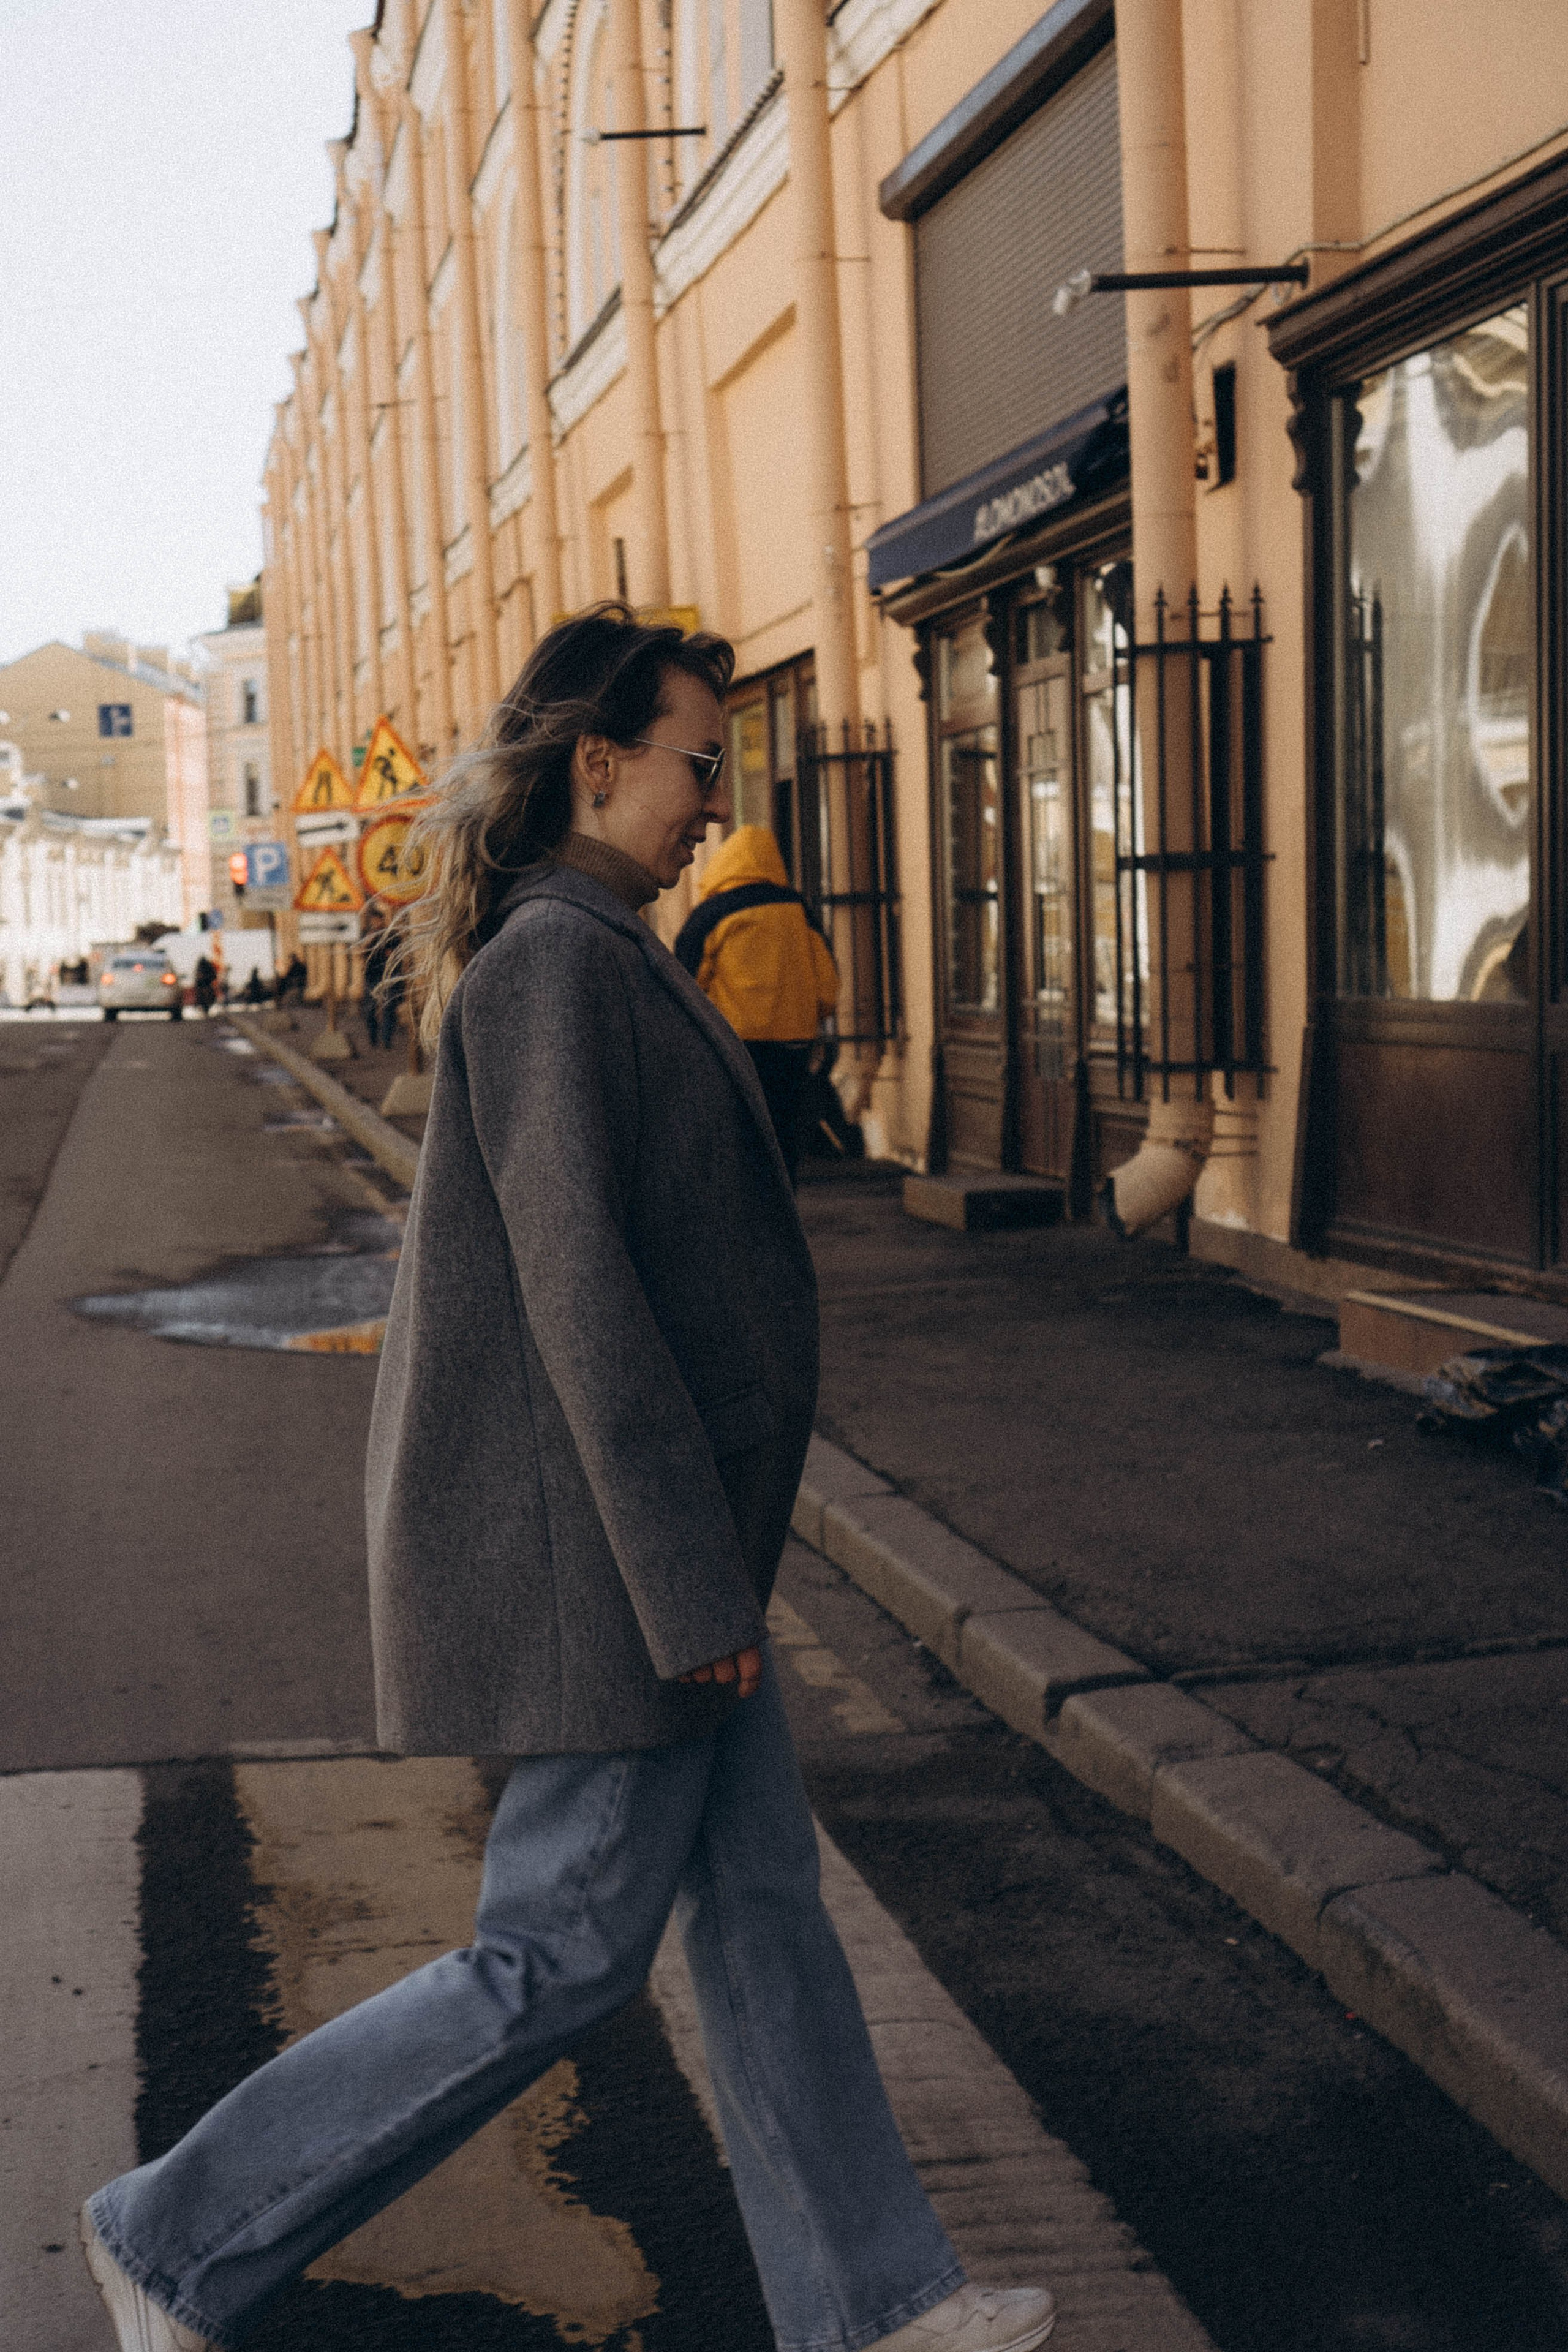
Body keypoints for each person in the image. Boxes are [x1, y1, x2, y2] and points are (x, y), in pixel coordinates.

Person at [79, 606, 1055, 2352]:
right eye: (695, 759)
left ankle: (876, 2307)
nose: (710, 797)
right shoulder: (557, 967)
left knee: (761, 1917)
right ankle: (177, 2232)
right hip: (610, 1570)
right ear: (599, 764)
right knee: (558, 1957)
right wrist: (688, 1591)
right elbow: (581, 1296)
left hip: (673, 1555)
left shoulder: (605, 943)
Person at [674, 821, 840, 1185]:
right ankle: (784, 1213)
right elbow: (827, 985)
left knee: (739, 1137)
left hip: (736, 1046)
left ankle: (746, 1220)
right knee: (783, 1134)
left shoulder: (712, 914)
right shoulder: (799, 909)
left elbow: (683, 984)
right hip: (793, 1045)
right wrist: (810, 1013)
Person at [360, 911, 402, 1050]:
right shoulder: (366, 935)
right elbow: (359, 953)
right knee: (371, 1009)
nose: (376, 923)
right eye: (374, 921)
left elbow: (396, 954)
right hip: (372, 976)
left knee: (389, 1008)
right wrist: (368, 941)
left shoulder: (391, 935)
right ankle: (373, 1037)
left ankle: (387, 1039)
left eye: (378, 920)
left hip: (389, 977)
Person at [192, 953, 217, 1017]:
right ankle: (202, 1007)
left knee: (209, 996)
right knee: (201, 996)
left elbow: (213, 975)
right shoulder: (205, 967)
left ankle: (203, 1007)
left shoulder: (203, 967)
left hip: (207, 984)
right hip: (204, 984)